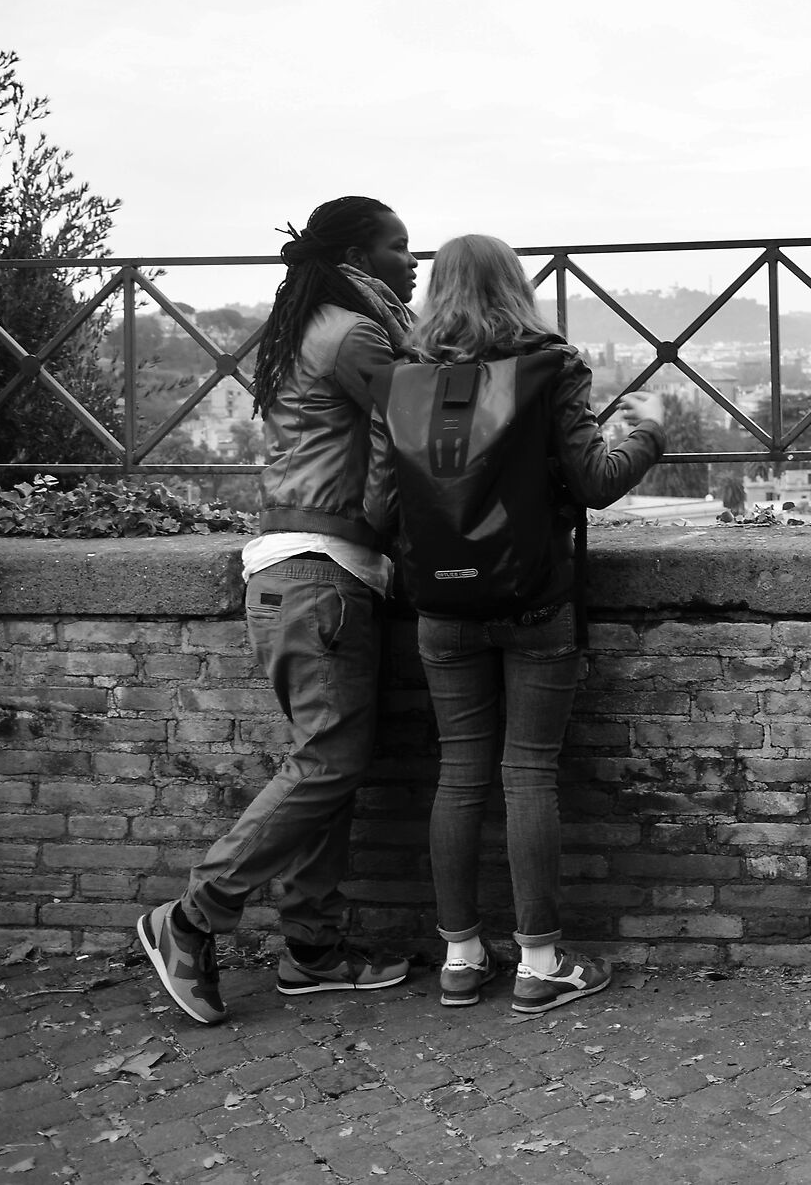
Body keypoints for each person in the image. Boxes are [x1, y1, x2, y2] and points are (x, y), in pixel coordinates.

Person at [363, 233, 665, 1013]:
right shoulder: (548, 367)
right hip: (534, 600)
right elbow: (596, 481)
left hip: (440, 608)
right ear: (517, 287)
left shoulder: (399, 382)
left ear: (435, 292)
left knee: (460, 772)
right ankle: (539, 963)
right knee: (528, 771)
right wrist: (649, 430)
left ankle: (461, 956)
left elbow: (376, 508)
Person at [138, 196, 420, 1025]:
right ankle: (190, 918)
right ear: (359, 256)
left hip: (295, 575)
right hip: (321, 575)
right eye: (399, 246)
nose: (414, 260)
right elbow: (419, 431)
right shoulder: (358, 332)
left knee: (323, 762)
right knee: (329, 762)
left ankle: (314, 948)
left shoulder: (313, 324)